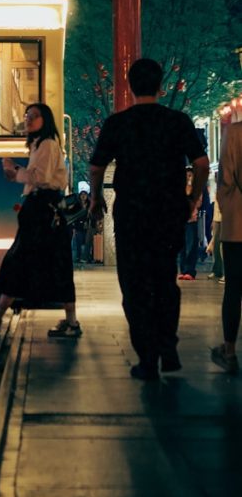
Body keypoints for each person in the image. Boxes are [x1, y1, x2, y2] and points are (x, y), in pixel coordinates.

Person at [89, 58, 209, 380]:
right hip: (168, 213)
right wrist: (192, 198)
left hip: (131, 216)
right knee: (164, 281)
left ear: (129, 87)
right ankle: (168, 347)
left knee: (135, 286)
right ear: (161, 86)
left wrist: (97, 197)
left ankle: (147, 358)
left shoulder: (118, 124)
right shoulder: (178, 121)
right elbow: (200, 163)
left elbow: (97, 167)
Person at [0, 103, 80, 337]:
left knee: (22, 259)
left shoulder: (47, 144)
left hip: (42, 211)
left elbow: (41, 178)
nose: (28, 119)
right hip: (41, 209)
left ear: (45, 120)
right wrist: (16, 172)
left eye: (34, 116)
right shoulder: (39, 144)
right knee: (45, 262)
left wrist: (15, 172)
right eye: (27, 115)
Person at [210, 121, 242, 374]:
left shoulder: (234, 132)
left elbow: (226, 179)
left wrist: (225, 205)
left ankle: (229, 350)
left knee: (234, 288)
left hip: (237, 225)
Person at [178, 168, 201, 280]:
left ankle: (190, 271)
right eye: (186, 175)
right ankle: (183, 270)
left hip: (191, 219)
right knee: (182, 246)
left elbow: (198, 201)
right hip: (181, 220)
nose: (188, 177)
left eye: (190, 175)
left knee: (191, 246)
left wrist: (190, 184)